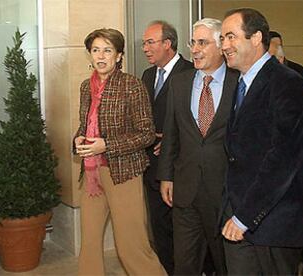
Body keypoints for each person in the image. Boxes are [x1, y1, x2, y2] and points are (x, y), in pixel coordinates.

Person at [220, 8, 303, 275]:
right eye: (222, 38)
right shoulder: (240, 84)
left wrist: (244, 217)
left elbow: (283, 159)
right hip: (238, 217)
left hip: (274, 223)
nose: (224, 45)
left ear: (256, 38)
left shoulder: (287, 83)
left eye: (231, 36)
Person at [74, 28, 166, 276]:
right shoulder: (86, 87)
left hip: (123, 174)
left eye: (107, 50)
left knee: (131, 247)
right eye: (95, 50)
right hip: (92, 174)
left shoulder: (132, 85)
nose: (101, 56)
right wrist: (78, 140)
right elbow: (84, 126)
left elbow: (146, 133)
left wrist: (107, 144)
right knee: (90, 245)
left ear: (118, 55)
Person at [157, 18, 238, 275]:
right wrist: (166, 176)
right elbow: (171, 133)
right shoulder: (180, 83)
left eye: (202, 43)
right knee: (185, 264)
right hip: (186, 189)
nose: (195, 49)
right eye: (193, 43)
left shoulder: (239, 83)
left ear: (220, 46)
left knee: (226, 263)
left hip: (225, 193)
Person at [141, 20, 193, 275]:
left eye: (150, 42)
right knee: (159, 226)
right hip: (151, 166)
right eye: (144, 43)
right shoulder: (148, 75)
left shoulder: (192, 72)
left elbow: (200, 122)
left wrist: (173, 142)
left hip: (181, 168)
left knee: (183, 230)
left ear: (167, 44)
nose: (145, 48)